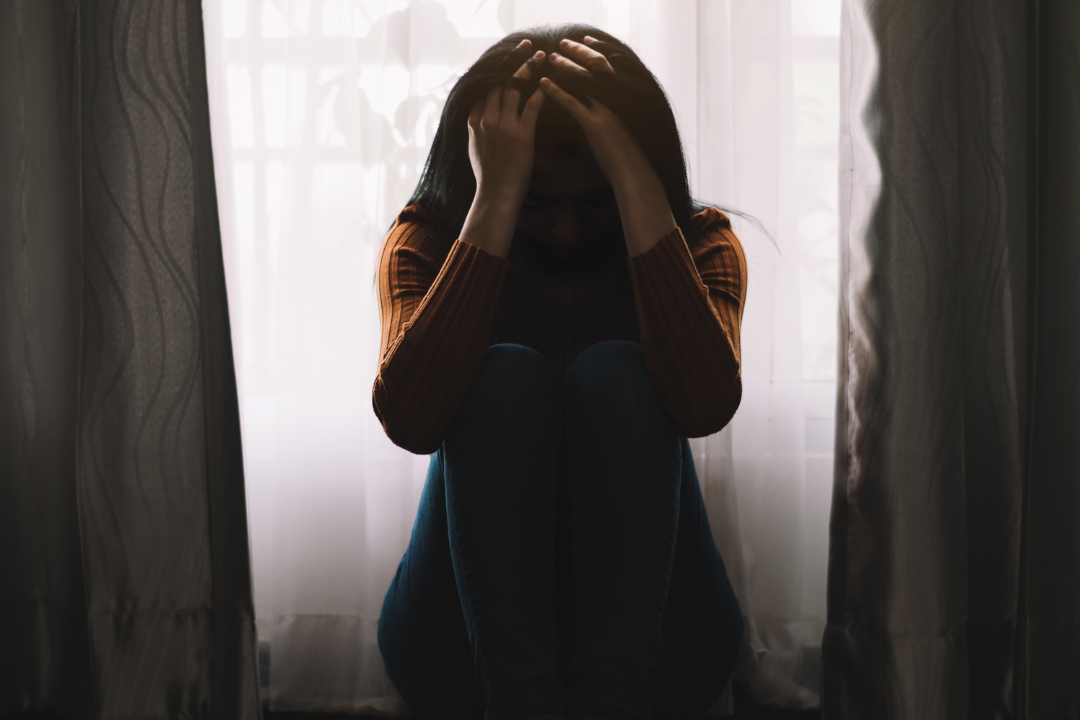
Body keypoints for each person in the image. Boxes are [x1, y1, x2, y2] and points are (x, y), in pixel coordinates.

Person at [373, 23, 746, 720]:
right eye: (540, 206)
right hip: (460, 647)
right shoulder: (424, 240)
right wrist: (491, 206)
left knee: (618, 373)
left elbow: (702, 407)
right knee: (503, 378)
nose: (569, 233)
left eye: (595, 201)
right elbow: (412, 421)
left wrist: (637, 182)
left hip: (663, 644)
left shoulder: (701, 244)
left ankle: (612, 700)